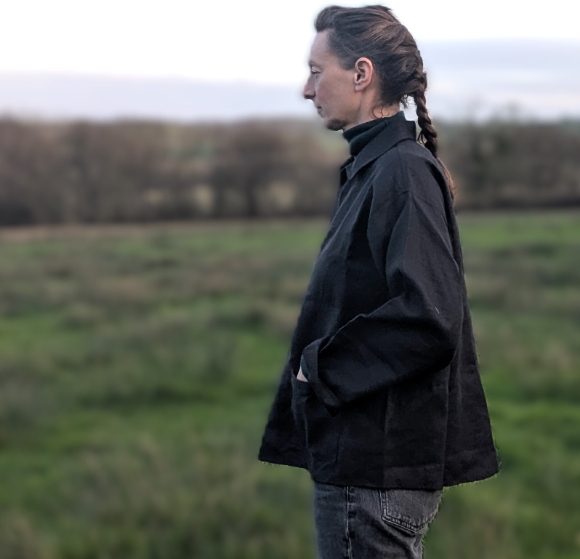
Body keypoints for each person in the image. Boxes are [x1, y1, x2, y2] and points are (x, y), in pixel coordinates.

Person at [258, 5, 500, 558]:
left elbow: (428, 316)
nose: (307, 89)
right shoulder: (378, 168)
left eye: (316, 71)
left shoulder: (401, 171)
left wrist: (319, 367)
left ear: (362, 73)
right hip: (367, 469)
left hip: (372, 473)